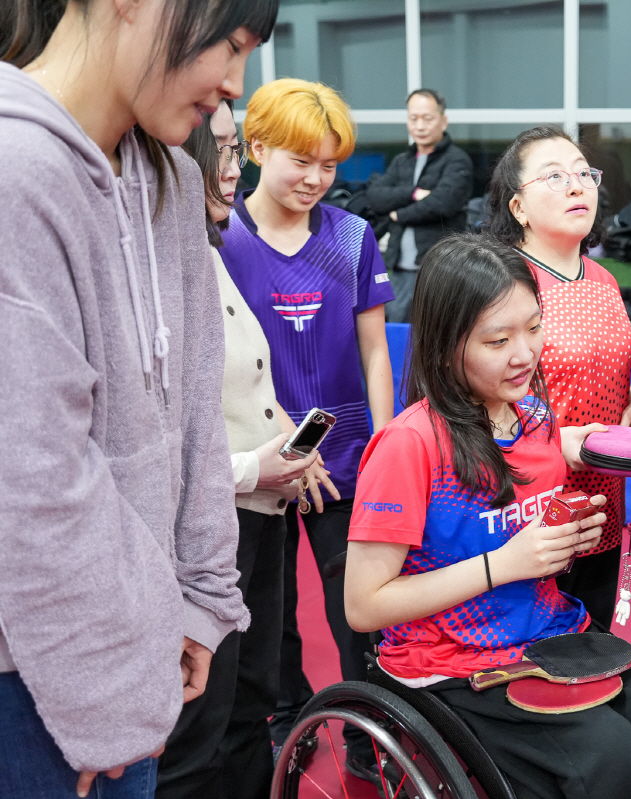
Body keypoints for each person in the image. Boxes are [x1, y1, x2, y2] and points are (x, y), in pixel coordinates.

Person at [0, 0, 276, 795]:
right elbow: (36, 478)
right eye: (229, 44)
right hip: (36, 668)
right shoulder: (18, 169)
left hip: (138, 640)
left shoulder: (170, 176)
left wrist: (199, 600)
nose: (233, 82)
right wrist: (107, 689)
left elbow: (195, 407)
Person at [343, 234, 631, 799]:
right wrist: (504, 563)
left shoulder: (532, 416)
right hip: (452, 663)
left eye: (534, 328)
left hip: (547, 636)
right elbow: (363, 605)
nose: (524, 353)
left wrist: (576, 527)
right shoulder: (409, 445)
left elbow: (558, 469)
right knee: (609, 756)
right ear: (444, 346)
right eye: (498, 339)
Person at [218, 78, 395, 778]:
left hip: (345, 454)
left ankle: (365, 731)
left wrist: (383, 443)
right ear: (256, 147)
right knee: (268, 607)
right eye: (302, 160)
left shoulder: (352, 237)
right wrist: (284, 454)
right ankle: (286, 720)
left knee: (355, 604)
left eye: (331, 164)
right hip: (257, 453)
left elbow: (375, 348)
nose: (317, 178)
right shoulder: (221, 233)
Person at [156, 99, 318, 799]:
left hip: (260, 510)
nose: (233, 170)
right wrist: (258, 464)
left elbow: (243, 385)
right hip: (210, 521)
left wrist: (283, 438)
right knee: (204, 723)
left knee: (254, 702)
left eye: (234, 153)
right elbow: (151, 440)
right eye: (220, 152)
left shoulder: (208, 251)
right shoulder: (163, 266)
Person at [486, 126, 631, 630]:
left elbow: (602, 362)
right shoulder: (502, 282)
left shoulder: (602, 280)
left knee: (591, 645)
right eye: (555, 177)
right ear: (518, 208)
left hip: (602, 500)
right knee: (529, 654)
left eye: (584, 173)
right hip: (528, 505)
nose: (578, 186)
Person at [364, 88, 473, 323]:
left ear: (443, 121)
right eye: (414, 119)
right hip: (399, 269)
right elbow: (375, 197)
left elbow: (441, 203)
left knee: (436, 336)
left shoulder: (457, 160)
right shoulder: (401, 162)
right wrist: (413, 193)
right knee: (398, 337)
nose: (420, 126)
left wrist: (397, 215)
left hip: (440, 270)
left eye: (428, 118)